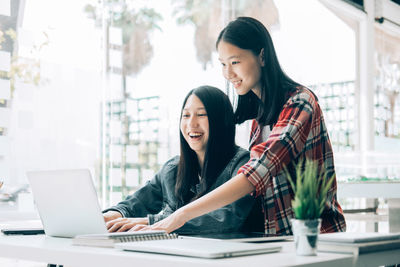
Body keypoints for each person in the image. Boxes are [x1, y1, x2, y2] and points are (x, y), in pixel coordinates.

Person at [138, 17, 346, 235]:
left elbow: (256, 173)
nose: (228, 74)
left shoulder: (300, 103)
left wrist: (180, 216)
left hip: (317, 238)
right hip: (279, 239)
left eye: (235, 62)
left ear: (262, 56)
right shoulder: (260, 119)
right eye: (223, 64)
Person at [103, 85, 263, 234]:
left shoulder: (243, 164)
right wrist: (113, 215)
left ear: (221, 120)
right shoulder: (172, 169)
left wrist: (153, 223)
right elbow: (137, 202)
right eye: (185, 115)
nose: (191, 123)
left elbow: (227, 219)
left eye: (201, 114)